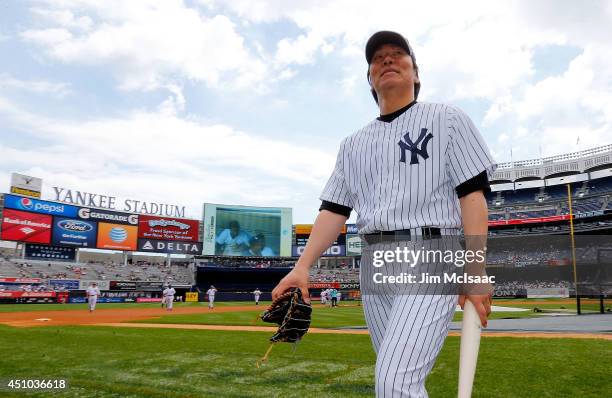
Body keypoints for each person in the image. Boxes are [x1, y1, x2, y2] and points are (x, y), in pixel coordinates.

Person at [272, 31, 495, 397]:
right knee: (394, 380)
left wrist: (475, 269)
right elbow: (333, 210)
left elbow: (472, 195)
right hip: (374, 261)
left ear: (416, 72)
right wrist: (303, 266)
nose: (387, 60)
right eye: (378, 58)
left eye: (397, 54)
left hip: (432, 253)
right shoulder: (352, 144)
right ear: (370, 79)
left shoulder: (447, 118)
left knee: (395, 382)